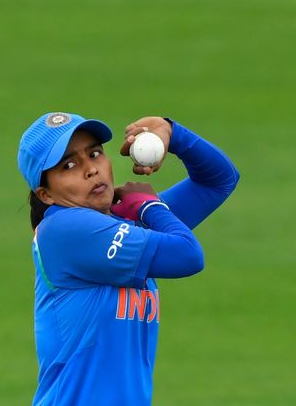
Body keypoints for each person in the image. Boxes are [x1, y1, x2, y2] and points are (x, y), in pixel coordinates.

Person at [16, 112, 239, 406]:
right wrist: (150, 208)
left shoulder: (122, 224)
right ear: (45, 194)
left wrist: (172, 134)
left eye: (95, 153)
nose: (91, 170)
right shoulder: (63, 231)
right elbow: (188, 256)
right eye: (69, 165)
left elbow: (219, 180)